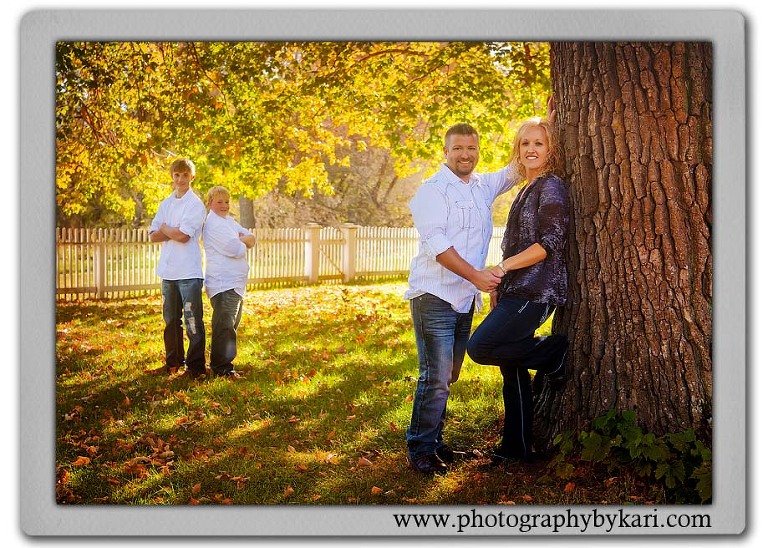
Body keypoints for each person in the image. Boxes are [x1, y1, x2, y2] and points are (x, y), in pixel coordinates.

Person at [404, 123, 521, 475]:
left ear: (478, 151)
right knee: (435, 376)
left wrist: (549, 122)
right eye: (458, 148)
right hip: (434, 295)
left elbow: (518, 167)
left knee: (449, 374)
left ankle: (435, 441)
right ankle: (421, 448)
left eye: (471, 148)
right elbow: (437, 245)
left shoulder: (483, 186)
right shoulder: (432, 191)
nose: (465, 154)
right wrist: (477, 276)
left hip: (464, 299)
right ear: (445, 152)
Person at [466, 117, 570, 464]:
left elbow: (548, 244)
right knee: (511, 368)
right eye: (525, 143)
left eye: (539, 143)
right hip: (515, 290)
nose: (531, 149)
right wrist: (500, 285)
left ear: (551, 149)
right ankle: (517, 448)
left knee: (480, 347)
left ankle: (552, 352)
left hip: (536, 291)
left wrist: (502, 268)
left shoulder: (551, 186)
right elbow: (516, 244)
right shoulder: (526, 187)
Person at [148, 158, 208, 379]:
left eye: (185, 175)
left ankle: (196, 368)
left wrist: (165, 228)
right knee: (171, 321)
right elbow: (153, 236)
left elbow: (183, 236)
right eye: (177, 175)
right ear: (172, 177)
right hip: (168, 271)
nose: (181, 179)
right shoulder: (166, 203)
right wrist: (170, 230)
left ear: (192, 177)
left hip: (189, 272)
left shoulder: (195, 205)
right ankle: (173, 363)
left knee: (193, 321)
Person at [202, 186, 256, 379]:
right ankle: (221, 368)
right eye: (219, 202)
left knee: (230, 326)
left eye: (226, 201)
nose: (224, 205)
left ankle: (224, 366)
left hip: (236, 284)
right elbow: (235, 249)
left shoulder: (229, 222)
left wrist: (244, 239)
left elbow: (252, 238)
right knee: (224, 327)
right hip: (223, 283)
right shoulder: (213, 225)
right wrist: (242, 241)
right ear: (210, 203)